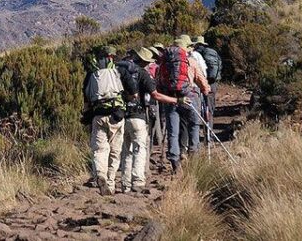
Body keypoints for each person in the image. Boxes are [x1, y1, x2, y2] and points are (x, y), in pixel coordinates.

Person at [82, 46, 135, 195]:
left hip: (98, 116)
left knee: (100, 149)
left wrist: (86, 115)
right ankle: (110, 184)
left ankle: (100, 174)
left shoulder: (91, 74)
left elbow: (86, 100)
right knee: (115, 152)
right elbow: (134, 93)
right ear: (113, 56)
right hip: (116, 116)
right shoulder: (121, 71)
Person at [157, 36, 211, 173]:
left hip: (170, 99)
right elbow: (202, 82)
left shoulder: (164, 62)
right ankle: (194, 156)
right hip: (189, 99)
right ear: (186, 48)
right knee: (193, 126)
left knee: (173, 132)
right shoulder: (190, 61)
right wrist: (206, 90)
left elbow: (158, 82)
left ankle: (175, 162)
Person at [118, 47, 156, 193]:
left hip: (122, 115)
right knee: (139, 149)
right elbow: (154, 94)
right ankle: (137, 181)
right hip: (138, 116)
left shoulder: (120, 70)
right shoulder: (142, 73)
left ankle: (125, 184)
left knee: (126, 151)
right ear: (144, 61)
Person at [191, 36, 222, 133]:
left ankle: (204, 133)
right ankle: (209, 134)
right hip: (213, 83)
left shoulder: (195, 53)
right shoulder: (213, 52)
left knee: (200, 107)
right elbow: (220, 65)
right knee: (209, 108)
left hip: (200, 82)